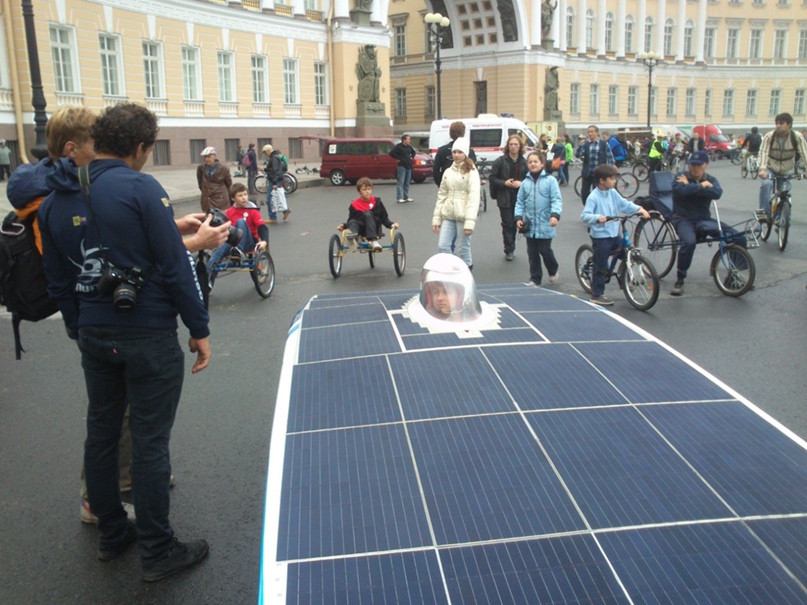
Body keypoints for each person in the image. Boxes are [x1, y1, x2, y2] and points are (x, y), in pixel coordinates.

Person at [7, 106, 228, 525]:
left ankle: (109, 519)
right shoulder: (117, 187)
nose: (104, 147)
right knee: (144, 435)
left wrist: (77, 326)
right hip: (138, 327)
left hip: (91, 324)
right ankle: (148, 537)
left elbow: (89, 259)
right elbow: (157, 263)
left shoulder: (59, 195)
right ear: (74, 149)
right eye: (96, 140)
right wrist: (198, 322)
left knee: (106, 426)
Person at [669, 151, 748, 296]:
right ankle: (680, 279)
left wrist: (694, 187)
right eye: (693, 164)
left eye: (699, 165)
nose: (695, 168)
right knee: (689, 242)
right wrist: (702, 186)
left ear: (706, 165)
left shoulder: (711, 179)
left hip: (703, 219)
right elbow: (681, 192)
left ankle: (735, 275)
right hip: (683, 219)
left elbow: (717, 193)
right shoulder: (680, 177)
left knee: (739, 237)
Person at [580, 164, 650, 306]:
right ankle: (597, 294)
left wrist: (639, 209)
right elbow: (585, 215)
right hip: (601, 235)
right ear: (602, 180)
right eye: (612, 178)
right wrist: (597, 217)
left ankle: (626, 278)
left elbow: (624, 204)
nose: (615, 181)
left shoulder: (612, 192)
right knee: (601, 266)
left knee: (626, 253)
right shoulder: (593, 197)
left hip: (613, 232)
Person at [514, 151, 562, 286]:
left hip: (546, 222)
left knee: (545, 250)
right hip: (530, 224)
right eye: (530, 162)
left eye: (536, 161)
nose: (533, 164)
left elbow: (556, 200)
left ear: (542, 164)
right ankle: (535, 278)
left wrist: (555, 215)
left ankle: (553, 269)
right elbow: (520, 202)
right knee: (532, 252)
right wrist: (518, 217)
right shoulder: (525, 183)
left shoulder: (550, 181)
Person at [432, 137, 480, 270]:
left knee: (463, 248)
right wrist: (437, 218)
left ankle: (467, 276)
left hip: (463, 215)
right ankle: (451, 272)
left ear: (465, 153)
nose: (456, 155)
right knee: (443, 246)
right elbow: (442, 195)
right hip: (448, 214)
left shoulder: (472, 172)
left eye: (460, 152)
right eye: (454, 152)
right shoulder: (448, 172)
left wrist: (470, 222)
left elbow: (474, 197)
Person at [206, 182, 268, 285]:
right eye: (240, 195)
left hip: (249, 242)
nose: (244, 198)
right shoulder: (230, 212)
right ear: (233, 198)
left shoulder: (253, 211)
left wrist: (264, 241)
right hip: (232, 241)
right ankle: (207, 283)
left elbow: (262, 228)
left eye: (245, 194)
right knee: (216, 254)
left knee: (240, 222)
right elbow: (224, 229)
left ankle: (238, 250)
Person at [757, 113, 807, 217]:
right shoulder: (769, 136)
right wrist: (762, 169)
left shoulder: (797, 137)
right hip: (770, 167)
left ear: (789, 124)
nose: (778, 126)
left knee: (784, 192)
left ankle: (782, 221)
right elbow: (763, 152)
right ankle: (763, 212)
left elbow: (804, 153)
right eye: (777, 123)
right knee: (766, 184)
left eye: (781, 123)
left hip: (787, 169)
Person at [488, 134, 528, 261]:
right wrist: (505, 183)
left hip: (519, 198)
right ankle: (509, 249)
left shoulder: (525, 162)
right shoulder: (500, 161)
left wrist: (521, 183)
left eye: (516, 144)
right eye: (511, 144)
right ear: (507, 146)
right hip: (504, 197)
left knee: (516, 222)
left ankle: (512, 245)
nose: (513, 147)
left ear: (520, 146)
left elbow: (531, 179)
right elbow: (492, 178)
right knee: (507, 223)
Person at [337, 177, 399, 253]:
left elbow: (384, 218)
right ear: (359, 191)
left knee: (367, 213)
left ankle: (374, 241)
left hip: (374, 227)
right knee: (353, 221)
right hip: (361, 229)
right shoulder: (354, 205)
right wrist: (343, 226)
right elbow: (351, 220)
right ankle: (353, 240)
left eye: (369, 189)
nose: (367, 192)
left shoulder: (377, 202)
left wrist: (392, 224)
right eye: (364, 190)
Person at [419, 253, 482, 322]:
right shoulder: (422, 320)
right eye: (435, 292)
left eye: (446, 292)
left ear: (459, 296)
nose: (440, 298)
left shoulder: (473, 321)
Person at [575, 125, 615, 205]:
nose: (590, 134)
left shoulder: (603, 144)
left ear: (597, 133)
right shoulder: (586, 145)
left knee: (597, 192)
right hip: (587, 172)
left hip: (598, 173)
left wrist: (609, 171)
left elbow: (610, 157)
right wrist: (580, 146)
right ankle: (588, 208)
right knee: (584, 193)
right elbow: (578, 156)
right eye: (588, 132)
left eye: (592, 132)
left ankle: (597, 209)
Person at [433, 121, 477, 187]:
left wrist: (440, 183)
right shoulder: (468, 150)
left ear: (450, 133)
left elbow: (435, 170)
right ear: (463, 133)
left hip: (447, 184)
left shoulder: (442, 150)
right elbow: (473, 168)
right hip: (464, 184)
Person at [196, 147, 232, 213]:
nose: (207, 159)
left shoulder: (223, 168)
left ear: (215, 156)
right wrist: (205, 191)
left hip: (220, 198)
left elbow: (229, 184)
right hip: (207, 200)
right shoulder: (201, 167)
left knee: (222, 219)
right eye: (205, 157)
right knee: (209, 220)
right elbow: (200, 182)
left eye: (209, 157)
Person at [262, 144, 290, 223]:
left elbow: (275, 171)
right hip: (276, 180)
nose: (265, 154)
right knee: (276, 197)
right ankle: (285, 211)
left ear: (268, 151)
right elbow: (273, 169)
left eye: (265, 152)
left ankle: (273, 217)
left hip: (274, 180)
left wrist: (274, 182)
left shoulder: (273, 158)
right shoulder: (275, 157)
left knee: (270, 199)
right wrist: (265, 169)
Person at [389, 134, 416, 203]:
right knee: (401, 182)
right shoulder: (399, 147)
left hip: (409, 166)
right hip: (402, 166)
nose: (409, 140)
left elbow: (413, 152)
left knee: (407, 182)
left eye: (409, 139)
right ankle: (399, 197)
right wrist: (398, 158)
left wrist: (411, 158)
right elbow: (391, 153)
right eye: (408, 139)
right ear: (404, 140)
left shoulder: (409, 147)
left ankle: (406, 196)